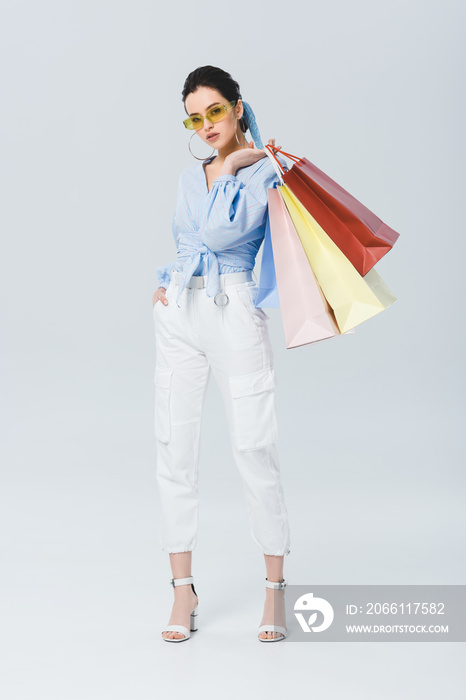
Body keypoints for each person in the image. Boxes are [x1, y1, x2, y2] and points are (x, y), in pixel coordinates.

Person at [152, 65, 291, 643]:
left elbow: (221, 236)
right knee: (173, 445)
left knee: (253, 447)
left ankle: (275, 592)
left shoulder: (263, 171)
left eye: (214, 110)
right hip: (180, 313)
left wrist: (233, 168)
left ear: (237, 107)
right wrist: (165, 282)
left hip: (233, 310)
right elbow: (187, 242)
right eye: (195, 116)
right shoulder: (193, 176)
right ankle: (182, 589)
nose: (206, 125)